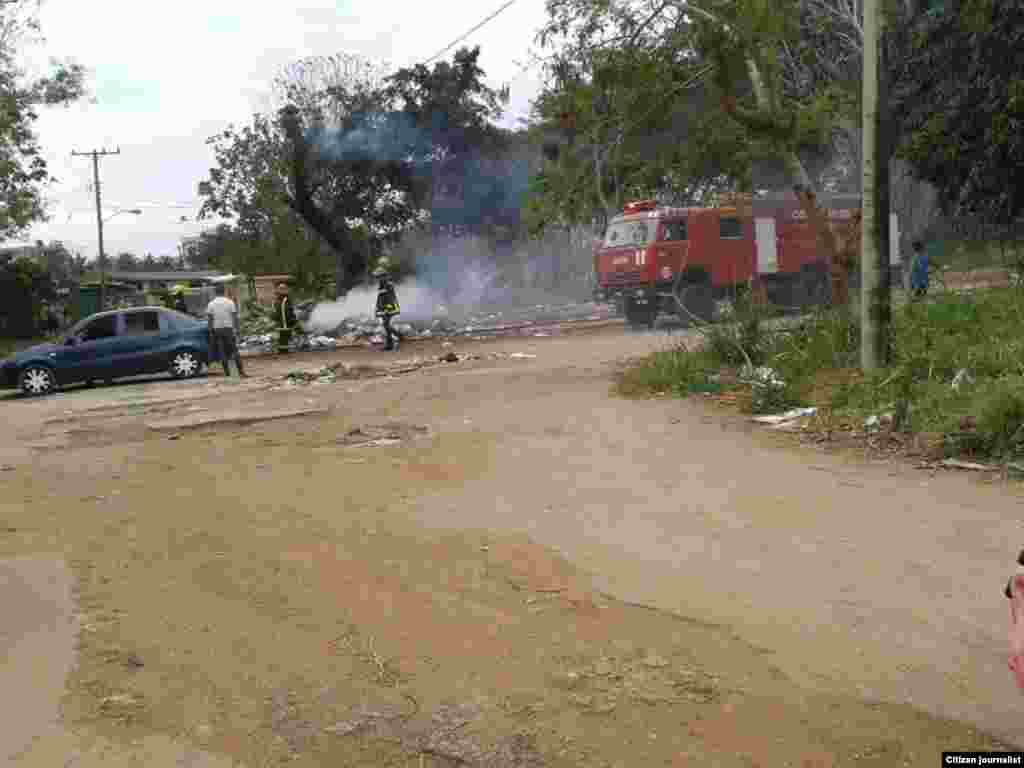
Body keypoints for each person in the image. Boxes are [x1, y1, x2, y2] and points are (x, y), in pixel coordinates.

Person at [205, 283, 247, 378]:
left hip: (217, 330)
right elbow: (235, 318)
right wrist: (238, 330)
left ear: (215, 292)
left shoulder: (211, 304)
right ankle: (240, 372)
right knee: (233, 351)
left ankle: (229, 373)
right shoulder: (230, 302)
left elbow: (210, 320)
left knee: (222, 352)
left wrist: (211, 332)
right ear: (224, 291)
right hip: (228, 330)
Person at [374, 267, 403, 351]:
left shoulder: (388, 285)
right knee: (386, 325)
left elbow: (390, 298)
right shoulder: (381, 285)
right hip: (384, 309)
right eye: (377, 277)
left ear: (384, 276)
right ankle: (398, 336)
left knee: (386, 325)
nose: (377, 278)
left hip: (389, 308)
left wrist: (387, 309)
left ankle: (390, 344)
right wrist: (377, 309)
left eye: (379, 276)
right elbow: (380, 299)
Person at [273, 283, 297, 354]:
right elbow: (287, 310)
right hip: (285, 321)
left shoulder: (279, 300)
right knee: (284, 337)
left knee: (283, 337)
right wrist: (292, 319)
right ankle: (284, 351)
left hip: (281, 322)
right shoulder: (285, 300)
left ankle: (283, 350)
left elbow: (277, 311)